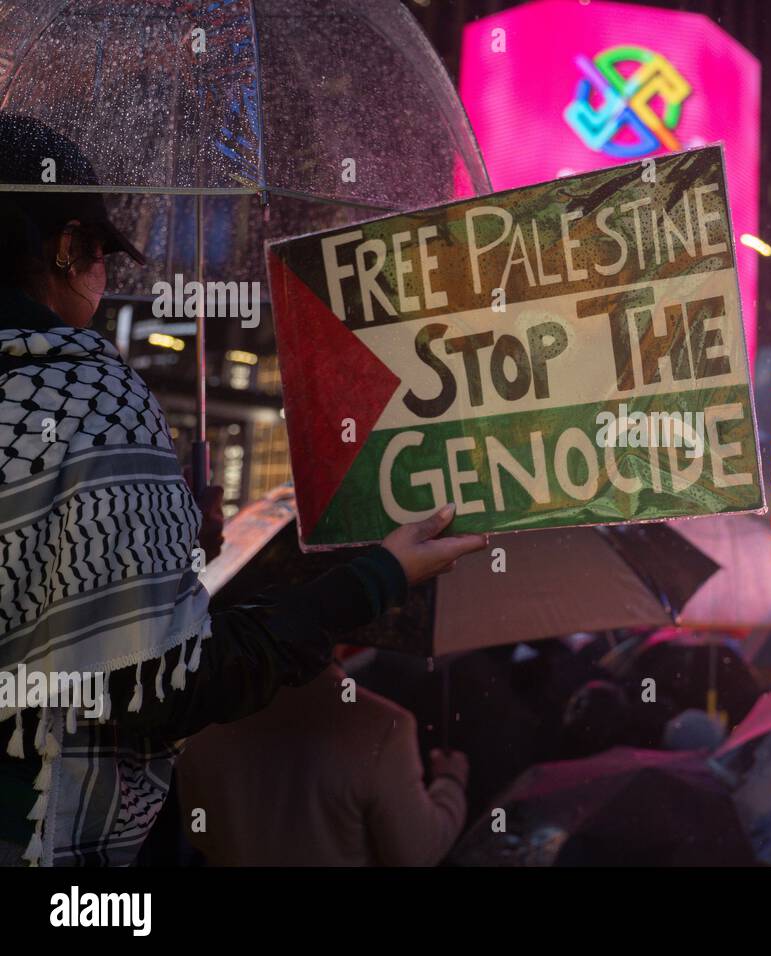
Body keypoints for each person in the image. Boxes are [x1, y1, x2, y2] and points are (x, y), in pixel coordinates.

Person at [0, 113, 487, 866]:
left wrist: (165, 550)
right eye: (100, 256)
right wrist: (375, 577)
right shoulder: (86, 394)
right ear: (68, 248)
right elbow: (161, 689)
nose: (103, 280)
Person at [177, 657, 470, 866]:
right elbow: (416, 852)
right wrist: (450, 782)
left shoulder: (200, 711)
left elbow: (200, 835)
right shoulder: (382, 726)